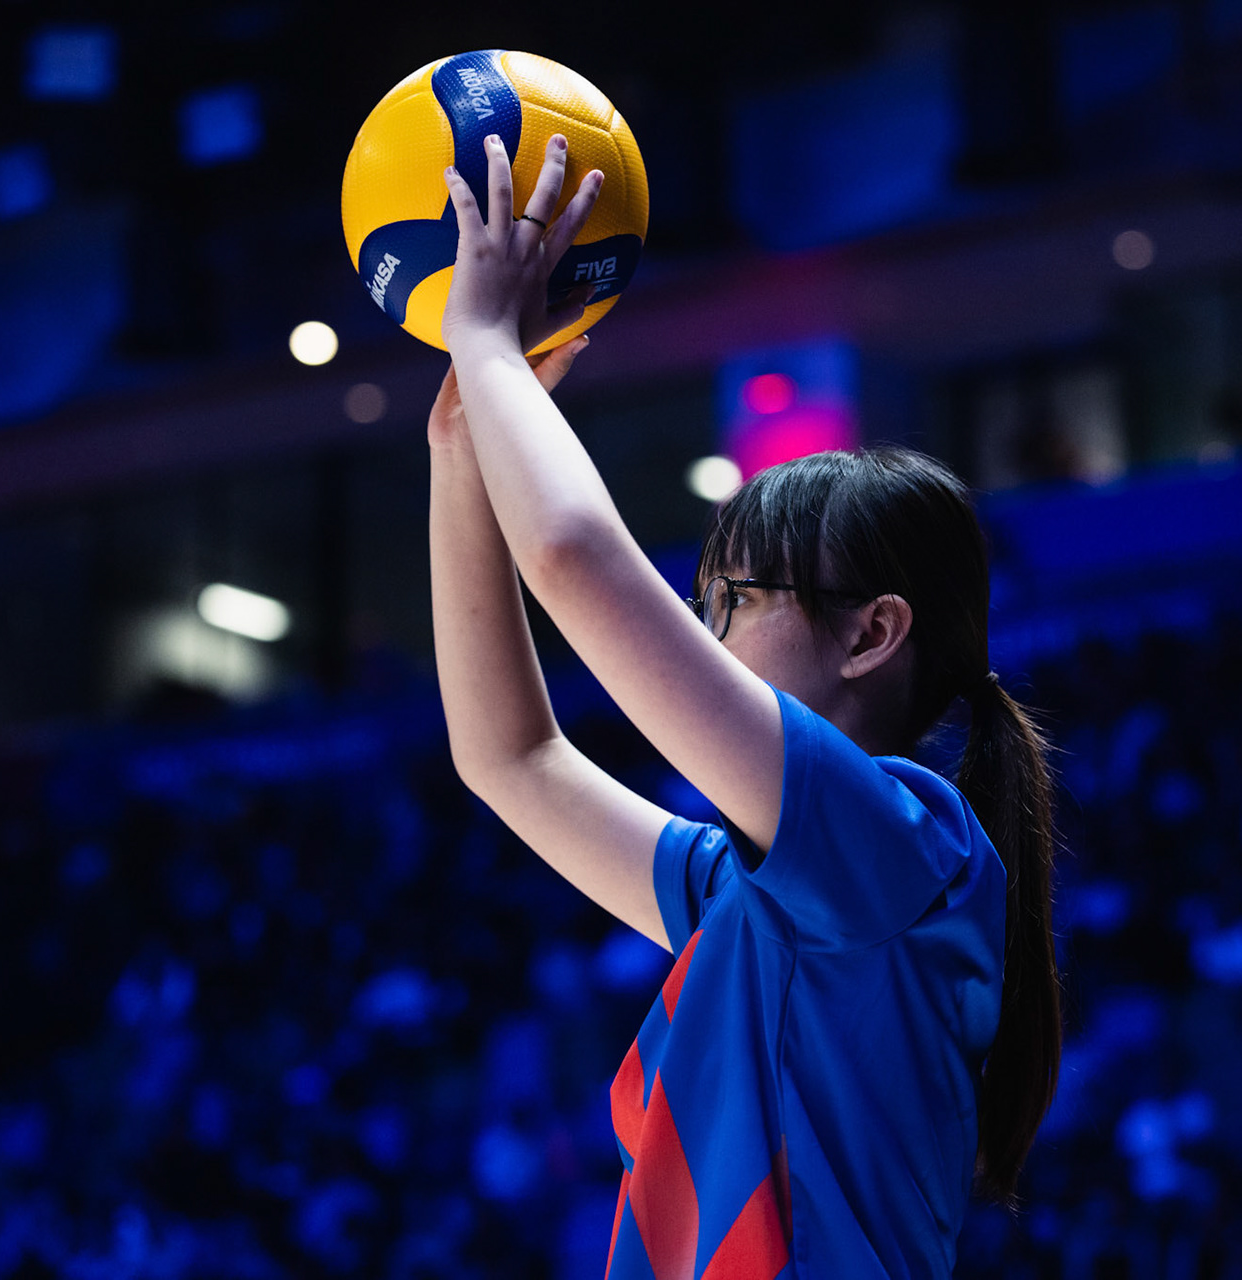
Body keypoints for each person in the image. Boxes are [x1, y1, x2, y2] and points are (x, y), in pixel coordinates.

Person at [428, 132, 1063, 1278]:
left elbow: (572, 554)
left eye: (736, 598)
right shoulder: (747, 883)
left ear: (872, 632)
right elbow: (509, 755)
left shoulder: (903, 845)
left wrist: (487, 344)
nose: (704, 631)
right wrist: (458, 450)